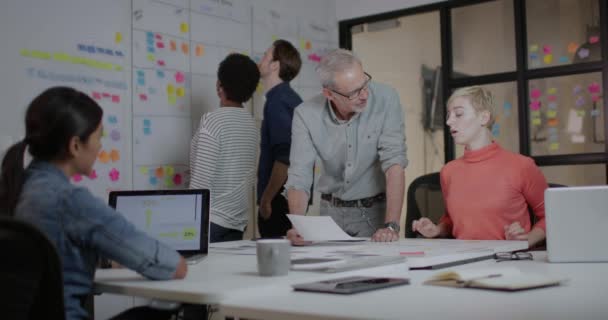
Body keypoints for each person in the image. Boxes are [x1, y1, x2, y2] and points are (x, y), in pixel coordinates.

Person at [0, 86, 187, 320]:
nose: (100, 146)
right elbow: (172, 266)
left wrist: (104, 258)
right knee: (166, 310)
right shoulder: (72, 201)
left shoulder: (14, 187)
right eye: (98, 137)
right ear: (75, 145)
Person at [284, 49, 408, 244]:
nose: (365, 95)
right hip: (329, 215)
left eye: (365, 84)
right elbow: (299, 175)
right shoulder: (305, 115)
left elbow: (394, 163)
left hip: (373, 213)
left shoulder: (387, 99)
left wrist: (391, 225)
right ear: (329, 93)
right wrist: (298, 227)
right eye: (354, 93)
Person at [412, 86, 548, 248]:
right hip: (462, 261)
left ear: (483, 117)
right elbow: (451, 220)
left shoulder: (521, 166)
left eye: (459, 114)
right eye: (448, 115)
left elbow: (552, 216)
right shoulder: (449, 171)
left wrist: (526, 240)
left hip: (508, 262)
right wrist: (437, 229)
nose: (449, 121)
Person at [189, 53, 260, 243]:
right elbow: (249, 178)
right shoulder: (251, 124)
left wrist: (188, 226)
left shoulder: (212, 121)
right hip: (238, 223)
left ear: (220, 85)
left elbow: (201, 183)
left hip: (210, 223)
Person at [256, 39, 304, 238]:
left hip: (279, 201)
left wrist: (266, 199)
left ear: (275, 65)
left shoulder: (277, 102)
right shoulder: (291, 98)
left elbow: (284, 157)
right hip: (293, 198)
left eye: (266, 55)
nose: (261, 60)